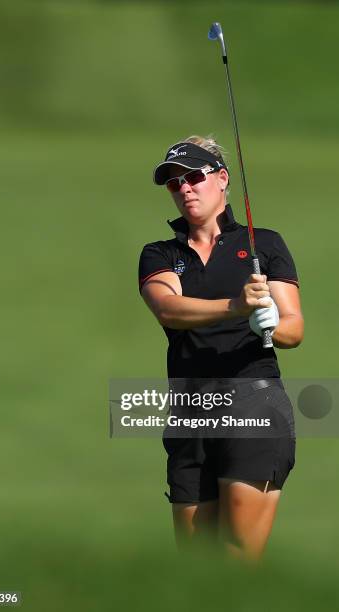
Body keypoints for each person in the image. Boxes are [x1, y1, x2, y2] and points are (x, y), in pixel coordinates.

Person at [138, 135, 304, 561]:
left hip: (254, 403)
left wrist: (269, 322)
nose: (185, 189)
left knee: (236, 561)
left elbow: (293, 329)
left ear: (222, 179)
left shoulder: (263, 245)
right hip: (190, 412)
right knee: (196, 571)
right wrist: (237, 306)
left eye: (194, 177)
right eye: (174, 184)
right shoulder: (160, 253)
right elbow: (168, 309)